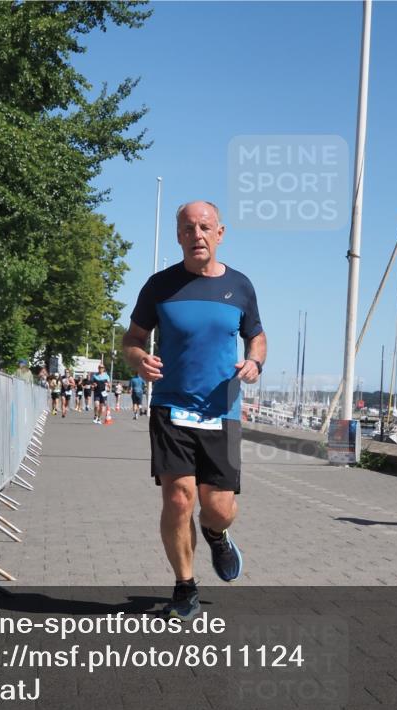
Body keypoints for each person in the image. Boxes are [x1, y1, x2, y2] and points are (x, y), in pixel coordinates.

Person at [122, 200, 266, 620]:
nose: (196, 235)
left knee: (218, 506)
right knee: (180, 498)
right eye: (188, 228)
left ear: (220, 233)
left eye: (205, 227)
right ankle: (185, 586)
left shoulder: (240, 286)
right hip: (171, 409)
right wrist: (137, 359)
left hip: (222, 411)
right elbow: (132, 338)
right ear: (178, 235)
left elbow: (256, 337)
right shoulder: (158, 286)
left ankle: (216, 535)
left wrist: (255, 362)